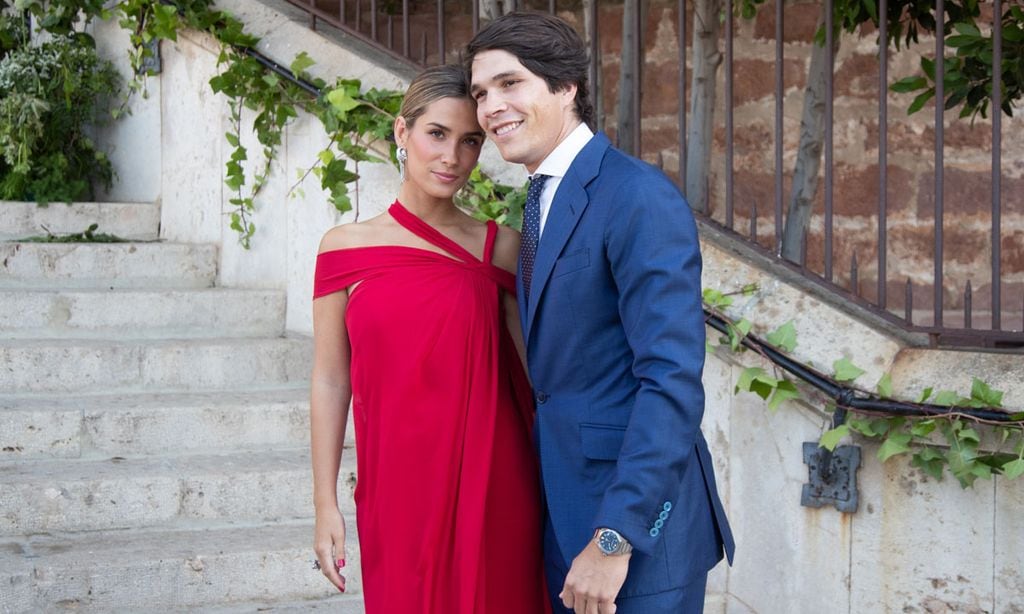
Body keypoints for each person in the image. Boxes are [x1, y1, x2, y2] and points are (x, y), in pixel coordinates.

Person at [467, 12, 735, 614]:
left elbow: (669, 380)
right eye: (481, 92)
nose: (490, 107)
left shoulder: (636, 195)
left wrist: (615, 538)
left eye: (511, 84)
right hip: (565, 518)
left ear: (566, 88)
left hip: (634, 536)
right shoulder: (540, 199)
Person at [309, 64, 549, 614]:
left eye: (470, 141)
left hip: (493, 482)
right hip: (395, 487)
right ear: (402, 132)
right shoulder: (343, 248)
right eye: (436, 134)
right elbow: (329, 378)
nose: (452, 158)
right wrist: (326, 503)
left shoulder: (502, 248)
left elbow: (535, 376)